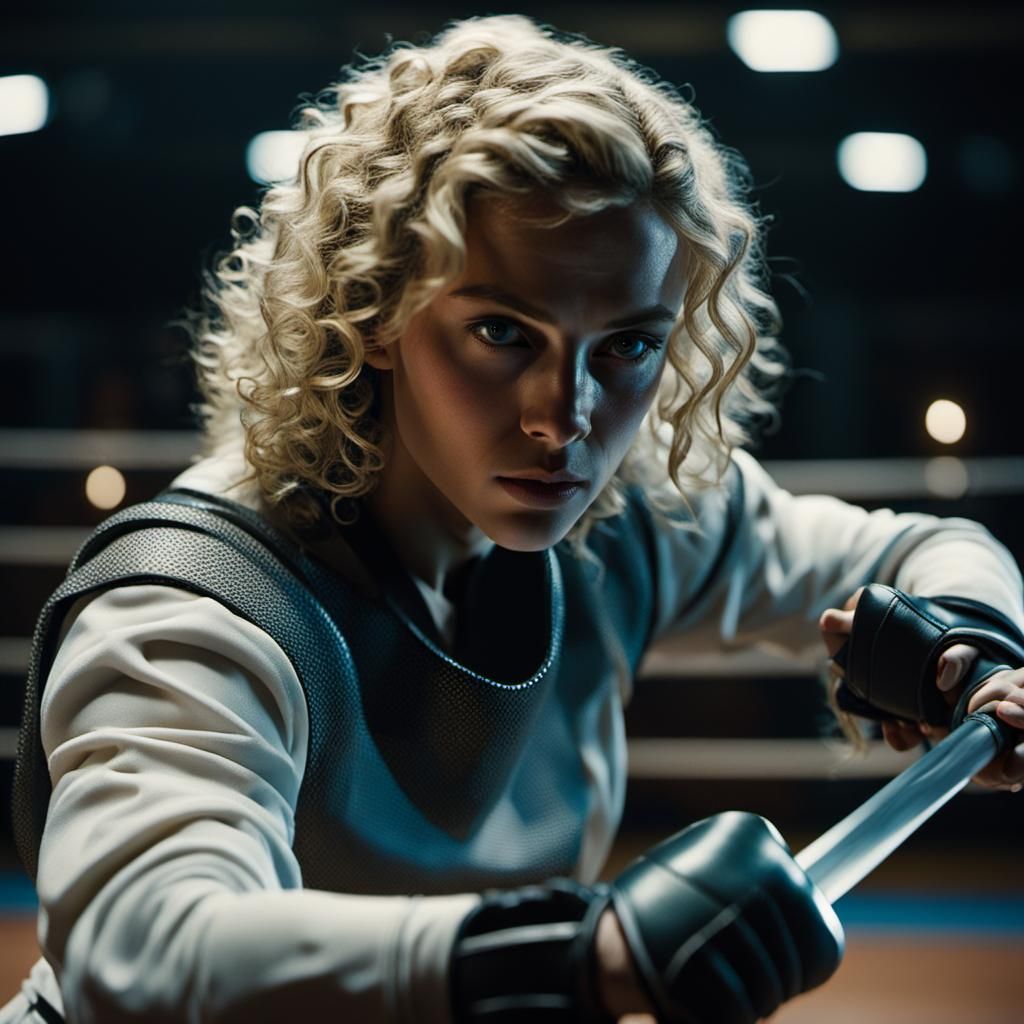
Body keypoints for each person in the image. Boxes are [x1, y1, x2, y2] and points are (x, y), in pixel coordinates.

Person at [4, 13, 1023, 1024]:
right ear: (373, 316)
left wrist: (962, 648)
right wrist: (574, 953)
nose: (564, 420)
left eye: (625, 346)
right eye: (502, 331)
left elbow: (924, 547)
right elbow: (139, 949)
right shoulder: (195, 606)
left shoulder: (616, 523)